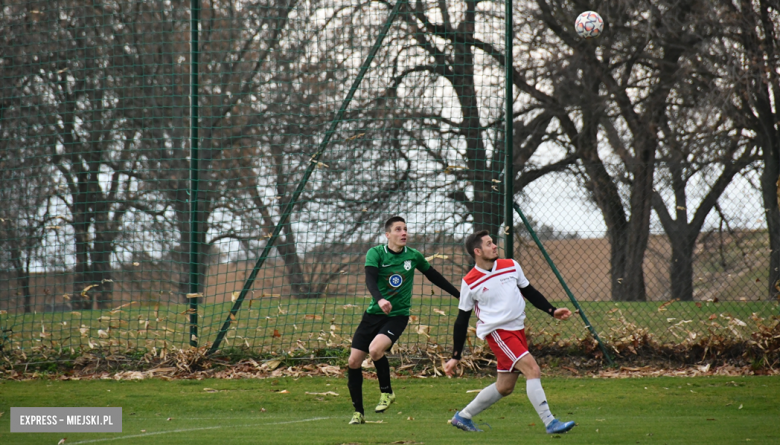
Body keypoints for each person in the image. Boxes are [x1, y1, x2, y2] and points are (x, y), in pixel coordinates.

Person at [444, 230, 576, 434]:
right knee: (532, 369)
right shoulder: (470, 281)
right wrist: (455, 356)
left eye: (493, 242)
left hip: (518, 330)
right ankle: (551, 422)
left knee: (505, 387)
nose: (495, 246)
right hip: (498, 333)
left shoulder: (511, 266)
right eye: (489, 244)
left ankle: (463, 417)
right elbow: (461, 321)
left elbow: (529, 291)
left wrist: (552, 310)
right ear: (477, 251)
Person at [348, 216, 460, 425]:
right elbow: (370, 279)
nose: (403, 233)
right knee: (353, 361)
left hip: (397, 316)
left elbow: (435, 276)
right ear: (387, 234)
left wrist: (459, 295)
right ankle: (358, 412)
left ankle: (387, 393)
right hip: (373, 314)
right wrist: (380, 299)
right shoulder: (376, 253)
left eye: (405, 229)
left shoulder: (414, 256)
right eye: (398, 229)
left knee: (375, 350)